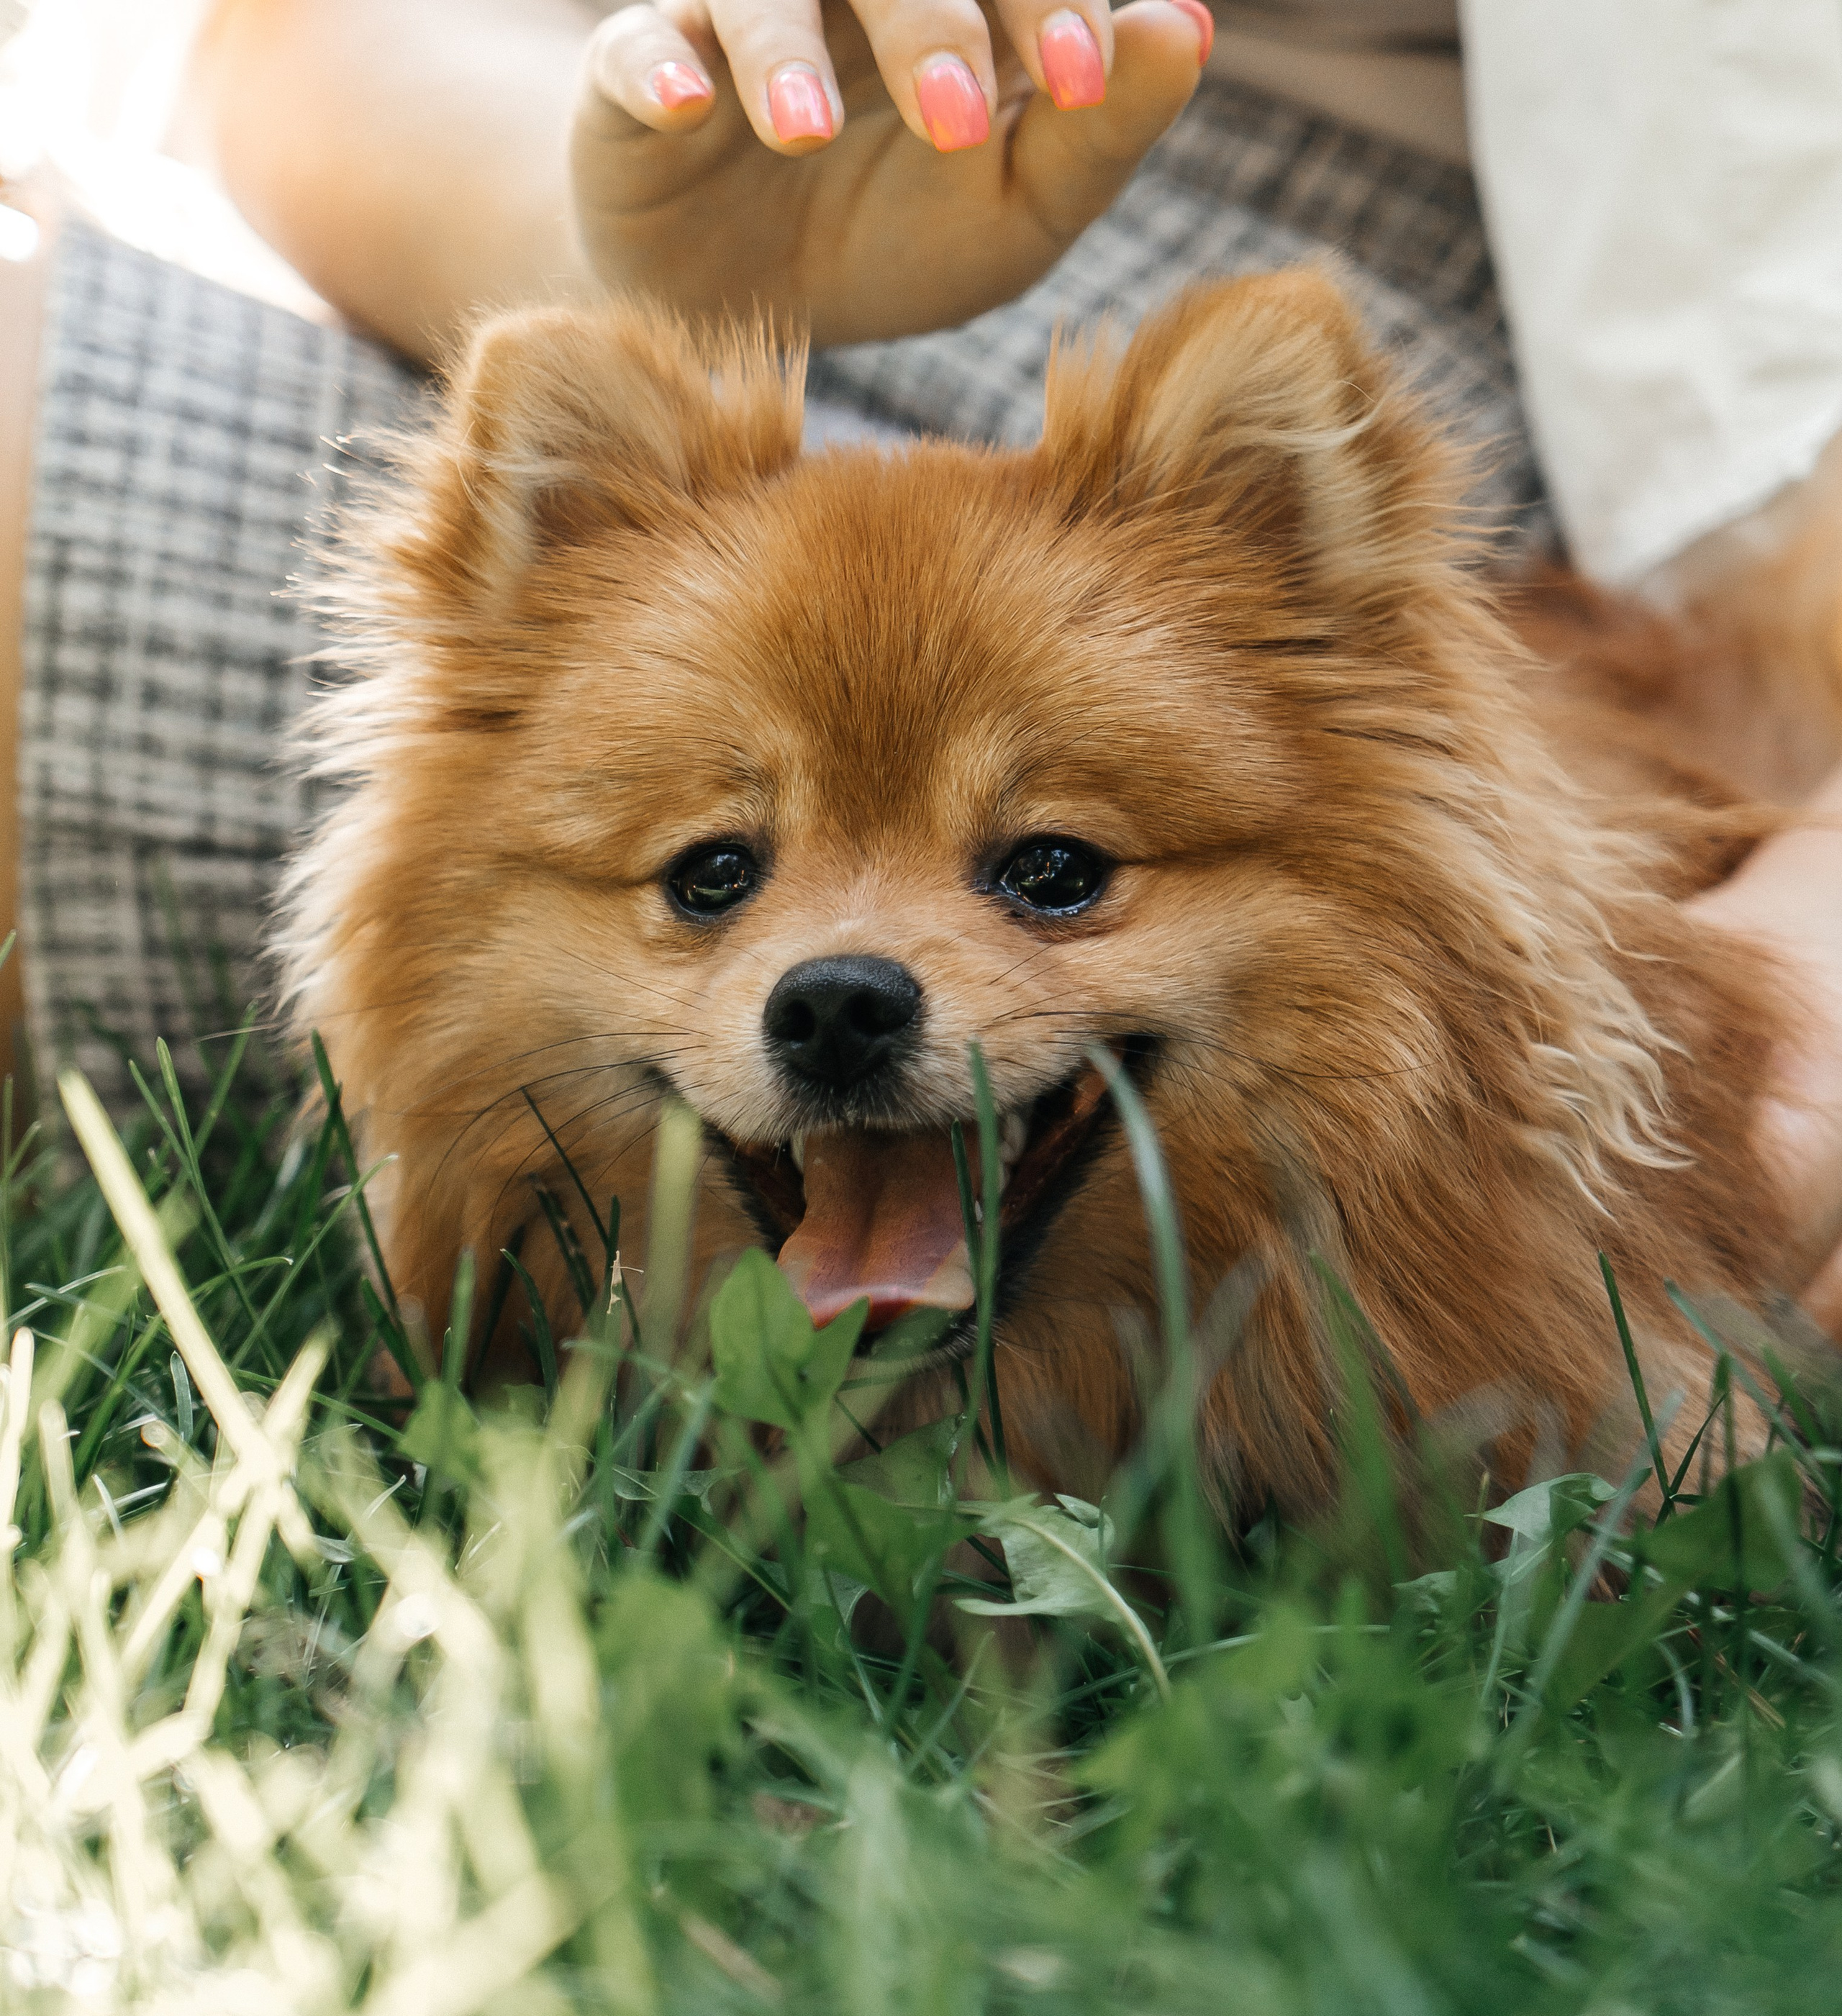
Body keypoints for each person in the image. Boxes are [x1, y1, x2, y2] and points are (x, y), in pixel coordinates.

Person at [1, 0, 1841, 1318]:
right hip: (600, 213)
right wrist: (665, 254)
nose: (836, 980)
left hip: (1459, 307)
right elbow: (278, 41)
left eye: (1050, 876)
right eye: (714, 881)